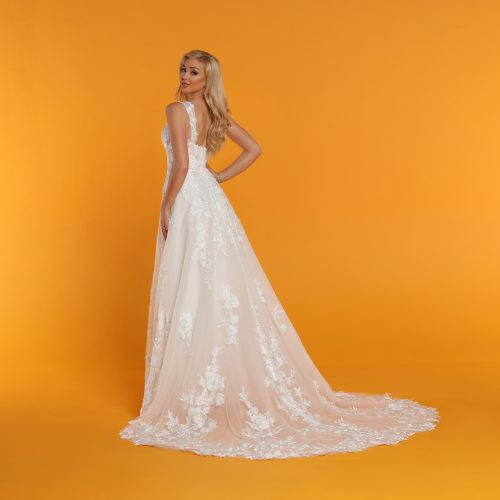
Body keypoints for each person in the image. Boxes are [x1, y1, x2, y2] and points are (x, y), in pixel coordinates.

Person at [118, 49, 439, 460]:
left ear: (207, 78)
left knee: (191, 286)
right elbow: (253, 149)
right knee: (214, 289)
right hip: (210, 203)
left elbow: (181, 166)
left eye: (193, 72)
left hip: (189, 202)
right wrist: (217, 178)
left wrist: (166, 205)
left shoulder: (176, 110)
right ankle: (202, 388)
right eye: (183, 69)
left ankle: (190, 392)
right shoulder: (215, 113)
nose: (184, 76)